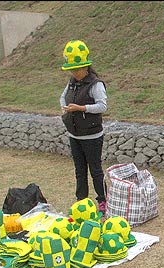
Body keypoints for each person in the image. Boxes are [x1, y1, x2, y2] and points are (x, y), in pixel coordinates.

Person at [60, 39, 108, 216]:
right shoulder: (72, 83)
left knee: (95, 170)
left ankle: (102, 201)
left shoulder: (96, 84)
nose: (73, 73)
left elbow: (102, 106)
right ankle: (81, 202)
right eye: (71, 70)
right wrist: (64, 110)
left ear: (85, 68)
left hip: (92, 136)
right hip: (75, 135)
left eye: (76, 70)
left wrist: (80, 108)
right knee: (79, 170)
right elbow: (62, 97)